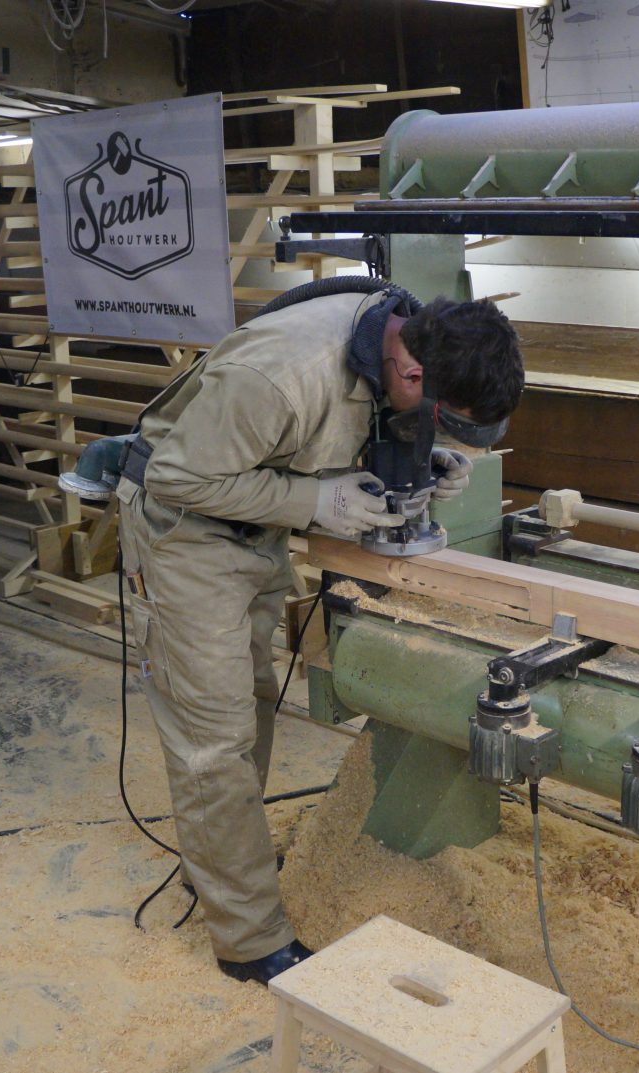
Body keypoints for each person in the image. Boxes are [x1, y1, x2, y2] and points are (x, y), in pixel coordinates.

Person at [115, 281, 523, 984]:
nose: (442, 436)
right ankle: (247, 939)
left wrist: (425, 460)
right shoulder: (280, 373)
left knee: (249, 702)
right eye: (442, 425)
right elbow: (180, 478)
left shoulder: (409, 341)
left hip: (254, 525)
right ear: (412, 373)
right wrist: (317, 501)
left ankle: (218, 865)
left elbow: (345, 432)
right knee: (214, 735)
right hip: (184, 532)